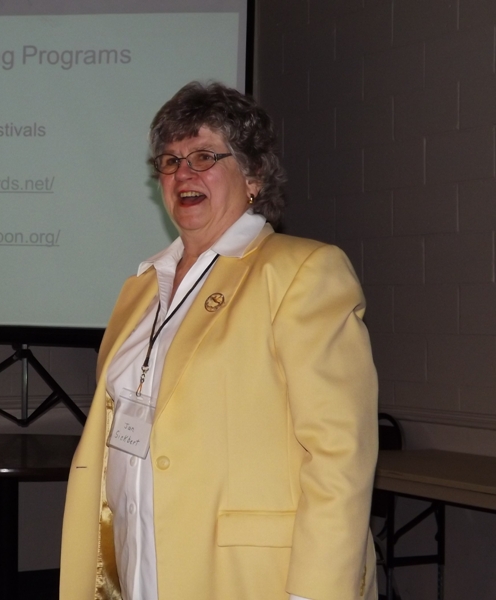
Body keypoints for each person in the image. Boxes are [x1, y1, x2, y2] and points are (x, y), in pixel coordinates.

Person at [59, 81, 379, 600]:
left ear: (253, 176)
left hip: (251, 576)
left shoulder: (301, 271)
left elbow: (340, 453)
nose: (183, 173)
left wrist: (315, 593)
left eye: (204, 156)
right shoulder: (142, 287)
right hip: (140, 562)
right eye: (170, 161)